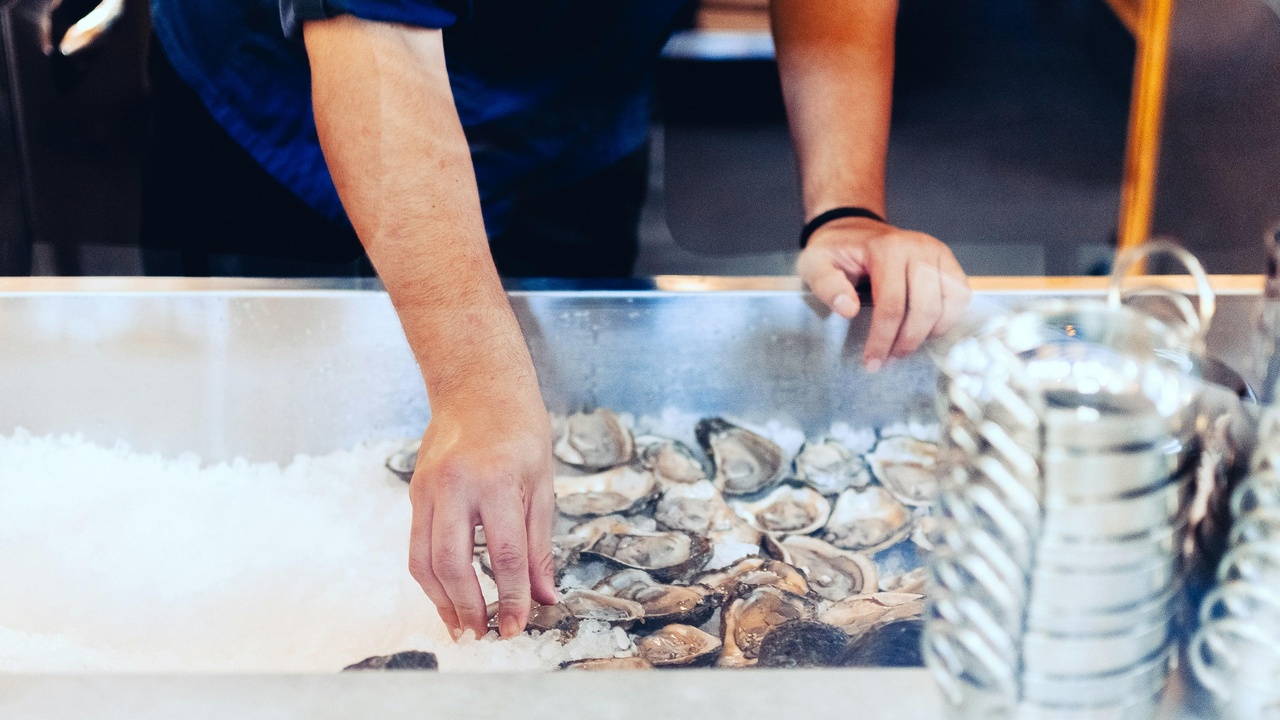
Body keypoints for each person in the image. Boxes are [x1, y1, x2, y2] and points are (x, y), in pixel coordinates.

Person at [146, 0, 971, 642]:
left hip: (568, 113)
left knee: (554, 422)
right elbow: (378, 37)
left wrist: (847, 207)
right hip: (286, 106)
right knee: (258, 473)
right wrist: (476, 387)